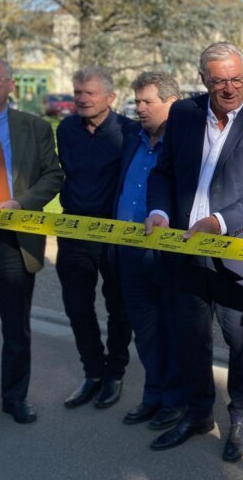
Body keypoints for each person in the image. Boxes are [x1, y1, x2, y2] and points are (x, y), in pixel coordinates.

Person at [145, 42, 243, 462]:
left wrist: (219, 222)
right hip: (187, 250)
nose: (230, 88)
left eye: (237, 79)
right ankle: (198, 413)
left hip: (240, 249)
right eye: (220, 80)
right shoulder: (186, 115)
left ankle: (241, 417)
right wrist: (157, 210)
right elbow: (164, 171)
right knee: (190, 338)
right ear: (203, 80)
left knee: (241, 343)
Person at [0, 57, 63, 423]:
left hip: (15, 237)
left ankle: (16, 397)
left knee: (15, 323)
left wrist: (20, 202)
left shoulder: (33, 127)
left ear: (10, 85)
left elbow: (53, 176)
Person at [56, 66, 135, 410]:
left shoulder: (129, 132)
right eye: (77, 93)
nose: (82, 99)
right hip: (72, 234)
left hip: (114, 236)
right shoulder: (66, 128)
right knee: (77, 307)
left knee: (118, 308)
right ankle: (93, 372)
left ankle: (114, 373)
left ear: (110, 97)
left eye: (89, 93)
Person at [113, 72, 184, 430]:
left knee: (172, 330)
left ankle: (175, 400)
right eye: (136, 101)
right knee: (146, 331)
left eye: (147, 102)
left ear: (171, 102)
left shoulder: (186, 143)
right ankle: (153, 395)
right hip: (129, 253)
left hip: (168, 254)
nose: (138, 108)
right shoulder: (131, 139)